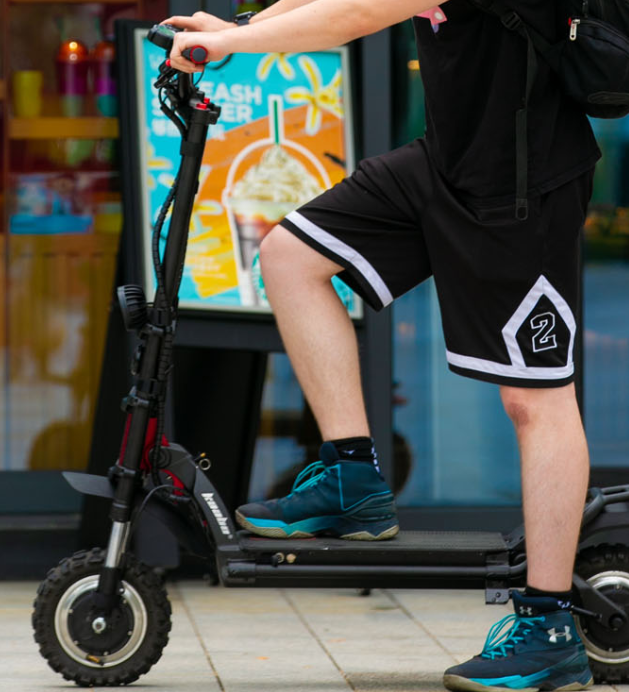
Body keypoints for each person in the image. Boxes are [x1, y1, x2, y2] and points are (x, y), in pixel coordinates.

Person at [165, 2, 599, 690]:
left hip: (522, 182)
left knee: (534, 399)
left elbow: (357, 12)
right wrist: (239, 25)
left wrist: (237, 44)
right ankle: (352, 481)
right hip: (446, 161)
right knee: (291, 258)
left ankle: (549, 628)